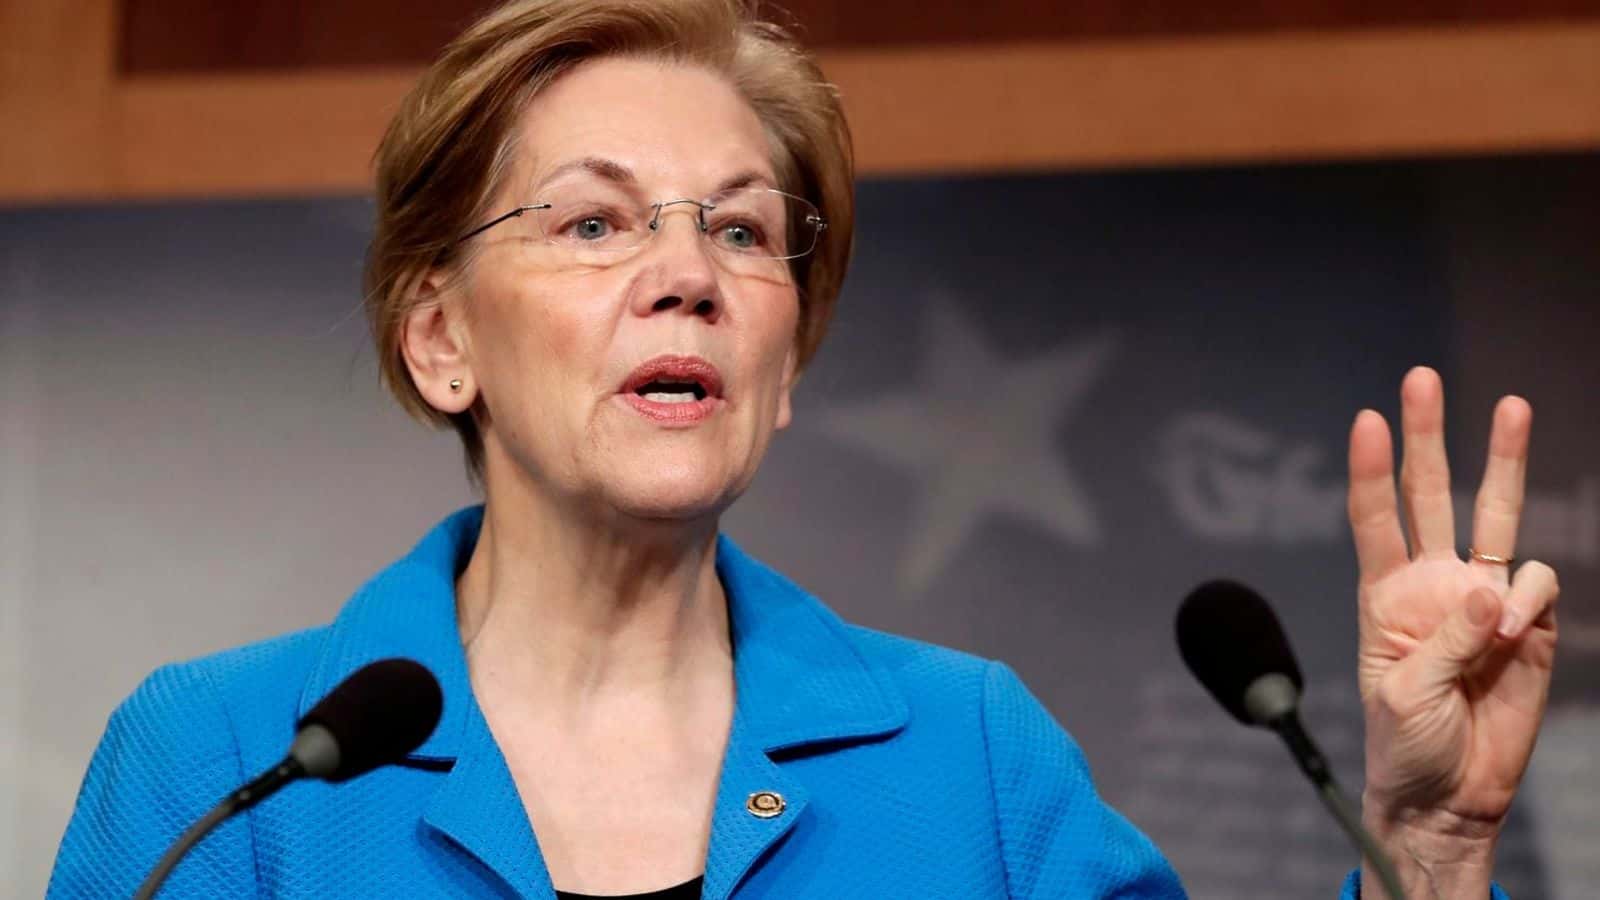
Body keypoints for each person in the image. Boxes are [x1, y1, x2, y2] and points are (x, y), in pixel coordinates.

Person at [47, 0, 1560, 897]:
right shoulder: (225, 767)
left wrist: (1430, 845)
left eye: (742, 232)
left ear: (784, 367)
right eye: (594, 222)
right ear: (440, 337)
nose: (687, 274)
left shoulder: (973, 759)